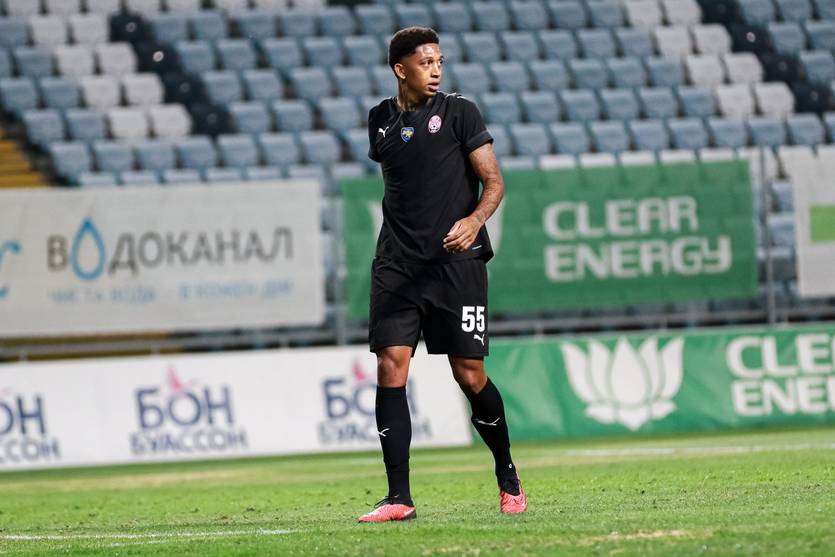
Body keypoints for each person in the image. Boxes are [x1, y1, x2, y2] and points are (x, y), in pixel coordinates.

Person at [358, 27, 527, 524]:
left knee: (468, 374)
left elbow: (493, 183)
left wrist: (473, 222)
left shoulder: (460, 113)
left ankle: (508, 476)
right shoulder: (380, 121)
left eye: (439, 62)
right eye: (425, 62)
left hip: (456, 266)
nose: (435, 70)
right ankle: (398, 497)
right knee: (391, 364)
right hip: (397, 266)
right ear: (400, 69)